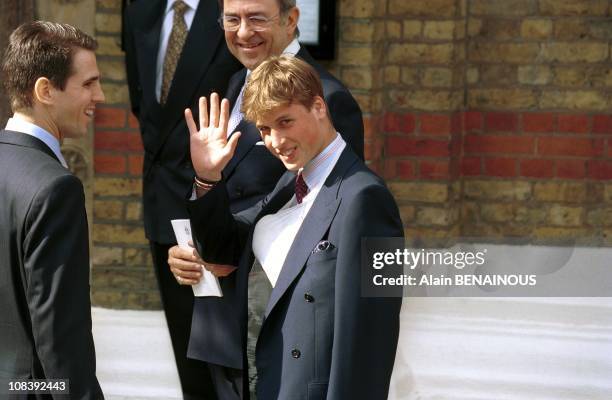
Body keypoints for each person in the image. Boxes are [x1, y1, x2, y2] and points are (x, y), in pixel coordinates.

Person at [174, 55, 403, 399]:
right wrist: (207, 178)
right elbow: (227, 246)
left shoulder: (368, 199)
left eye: (285, 122)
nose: (276, 141)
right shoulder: (289, 182)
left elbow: (371, 341)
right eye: (265, 130)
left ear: (319, 107)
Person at [122, 1, 242, 398]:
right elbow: (145, 106)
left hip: (214, 207)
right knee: (188, 364)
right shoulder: (142, 10)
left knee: (220, 364)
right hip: (160, 204)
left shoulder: (230, 13)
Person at [0, 21, 104, 398]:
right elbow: (60, 338)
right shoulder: (56, 189)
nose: (101, 96)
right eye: (88, 84)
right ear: (45, 90)